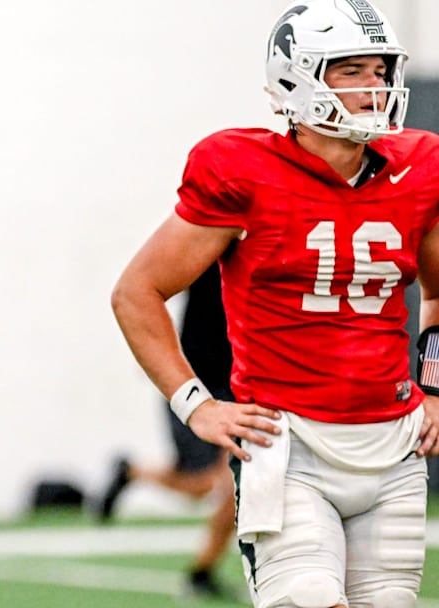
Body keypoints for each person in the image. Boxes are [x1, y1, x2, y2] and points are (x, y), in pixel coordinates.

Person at [111, 1, 439, 607]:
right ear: (299, 77)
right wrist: (197, 406)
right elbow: (137, 292)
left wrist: (437, 390)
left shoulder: (420, 167)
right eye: (354, 71)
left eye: (381, 69)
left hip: (393, 446)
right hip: (288, 445)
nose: (377, 87)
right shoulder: (241, 169)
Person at [100, 264, 238, 600]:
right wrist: (151, 349)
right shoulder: (205, 249)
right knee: (205, 484)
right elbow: (146, 291)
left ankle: (203, 570)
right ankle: (134, 473)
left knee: (234, 482)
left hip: (234, 381)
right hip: (192, 382)